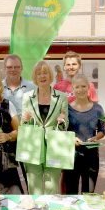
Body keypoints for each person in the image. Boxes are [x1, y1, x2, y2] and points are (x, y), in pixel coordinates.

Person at [22, 61, 68, 194]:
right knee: (34, 185)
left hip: (55, 144)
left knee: (52, 185)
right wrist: (26, 120)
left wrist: (62, 121)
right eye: (38, 73)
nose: (42, 76)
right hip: (32, 145)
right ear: (35, 77)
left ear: (50, 76)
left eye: (45, 73)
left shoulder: (61, 97)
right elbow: (23, 124)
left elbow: (66, 123)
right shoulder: (27, 97)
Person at [63, 74, 105, 194]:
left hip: (91, 156)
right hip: (71, 156)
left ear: (88, 87)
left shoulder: (98, 109)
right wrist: (71, 138)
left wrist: (96, 137)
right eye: (77, 87)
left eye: (83, 86)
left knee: (88, 194)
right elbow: (61, 131)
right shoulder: (66, 109)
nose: (80, 90)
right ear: (72, 89)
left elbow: (102, 130)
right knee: (71, 193)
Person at [2, 54, 35, 193]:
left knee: (31, 176)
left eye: (16, 67)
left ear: (21, 68)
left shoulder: (32, 87)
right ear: (4, 69)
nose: (13, 70)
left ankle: (34, 204)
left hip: (27, 137)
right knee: (9, 178)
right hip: (7, 138)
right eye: (9, 67)